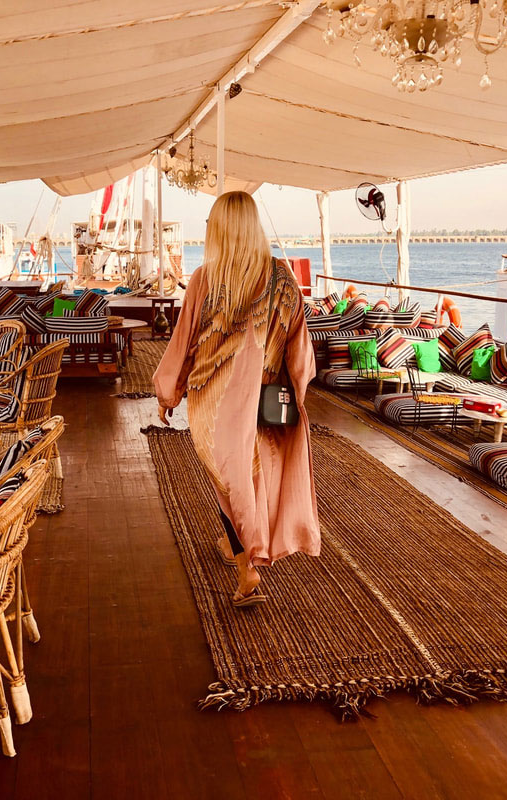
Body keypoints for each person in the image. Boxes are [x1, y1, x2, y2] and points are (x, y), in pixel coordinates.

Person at [152, 191, 320, 608]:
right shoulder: (283, 278)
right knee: (248, 480)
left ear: (221, 230)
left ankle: (248, 568)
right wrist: (297, 393)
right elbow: (300, 348)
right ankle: (237, 549)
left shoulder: (205, 279)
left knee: (229, 482)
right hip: (265, 401)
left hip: (213, 407)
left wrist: (168, 393)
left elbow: (183, 343)